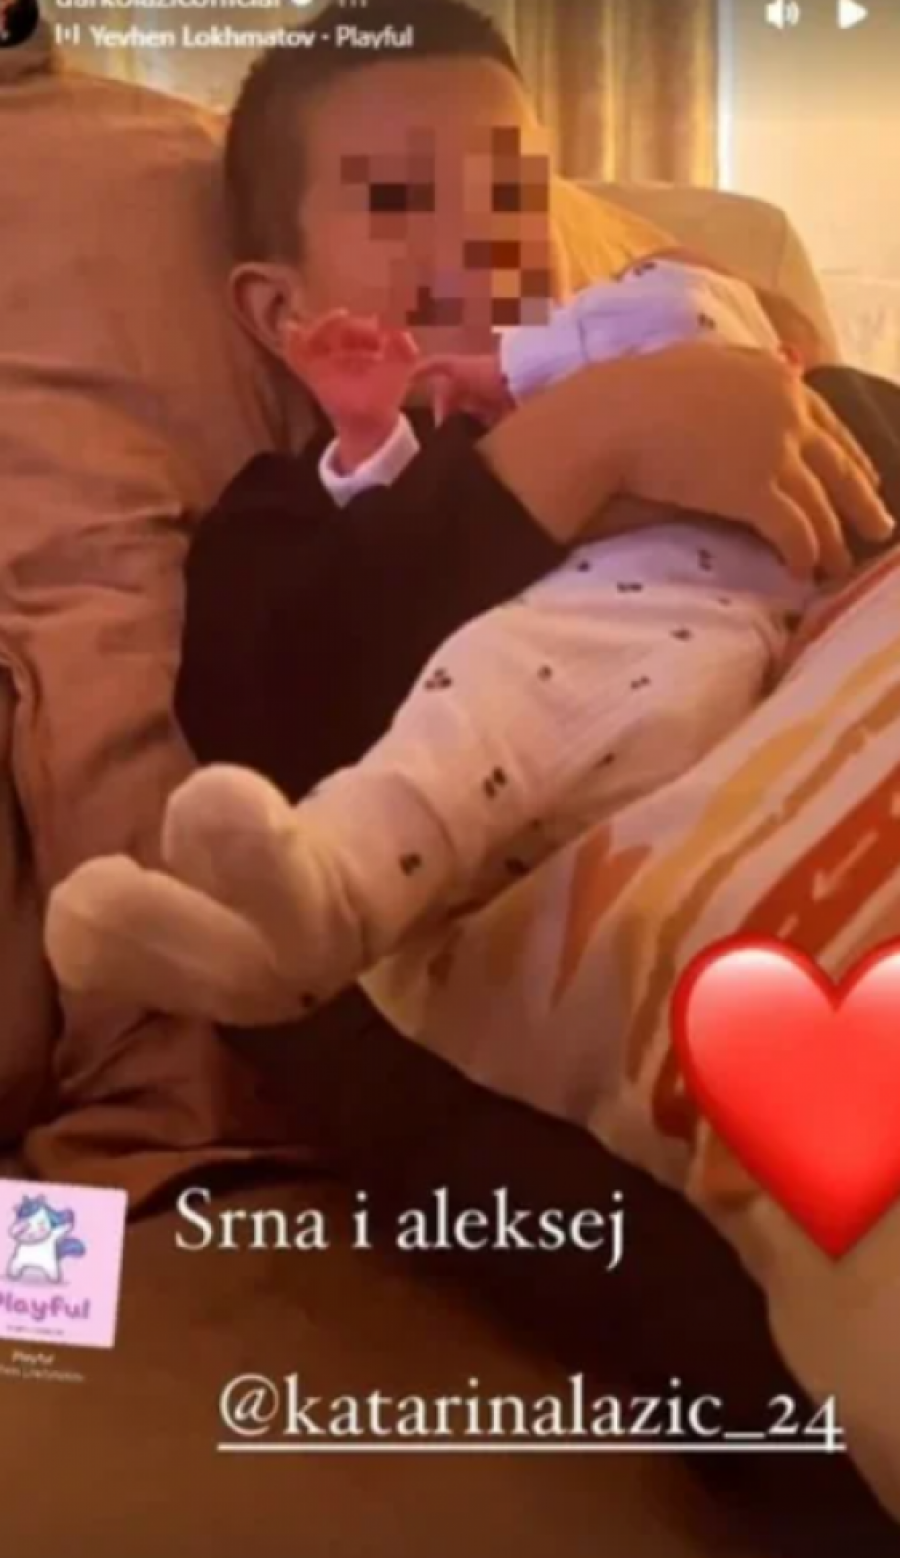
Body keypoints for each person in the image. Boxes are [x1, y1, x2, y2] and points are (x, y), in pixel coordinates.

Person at [47, 3, 896, 1024]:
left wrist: (784, 382)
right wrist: (598, 436)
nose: (482, 230)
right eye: (400, 198)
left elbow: (867, 462)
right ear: (282, 309)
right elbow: (276, 714)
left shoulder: (715, 377)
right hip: (576, 992)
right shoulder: (290, 514)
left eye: (515, 192)